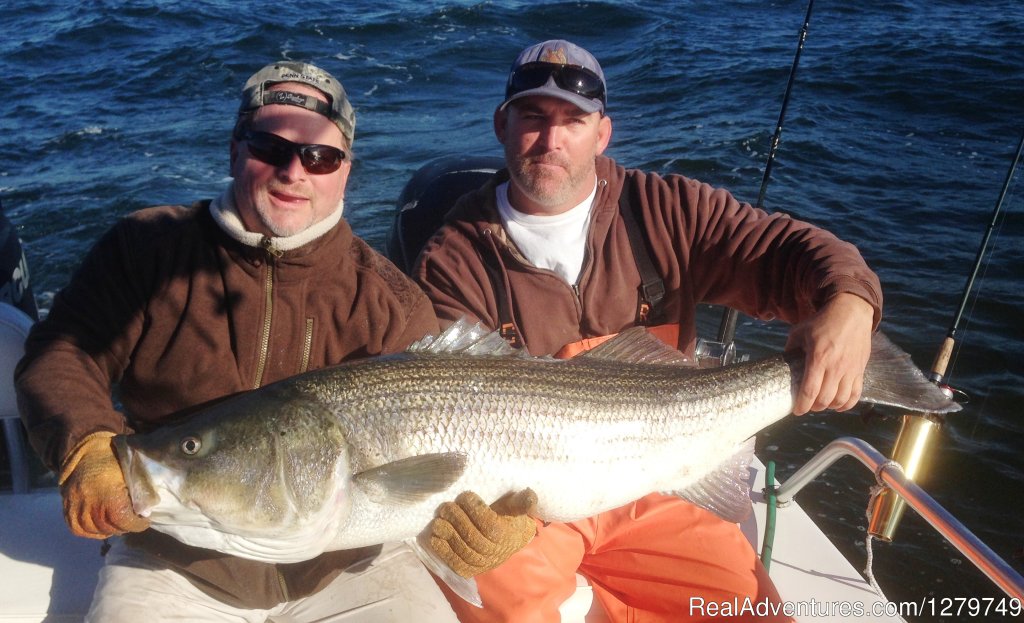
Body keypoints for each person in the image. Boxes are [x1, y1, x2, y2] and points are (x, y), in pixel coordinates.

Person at [414, 40, 881, 622]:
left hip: (664, 476)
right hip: (532, 504)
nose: (551, 140)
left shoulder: (666, 209)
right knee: (492, 590)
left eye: (573, 121)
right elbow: (448, 419)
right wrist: (499, 525)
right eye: (532, 117)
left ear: (602, 134)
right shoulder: (453, 261)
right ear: (501, 125)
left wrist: (851, 305)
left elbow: (791, 250)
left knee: (747, 612)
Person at [14, 60, 471, 622]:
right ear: (235, 150)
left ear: (345, 171)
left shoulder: (391, 301)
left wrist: (487, 521)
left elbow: (467, 446)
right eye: (269, 148)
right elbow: (62, 353)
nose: (293, 171)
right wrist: (86, 442)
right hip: (175, 559)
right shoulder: (146, 250)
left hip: (352, 566)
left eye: (320, 157)